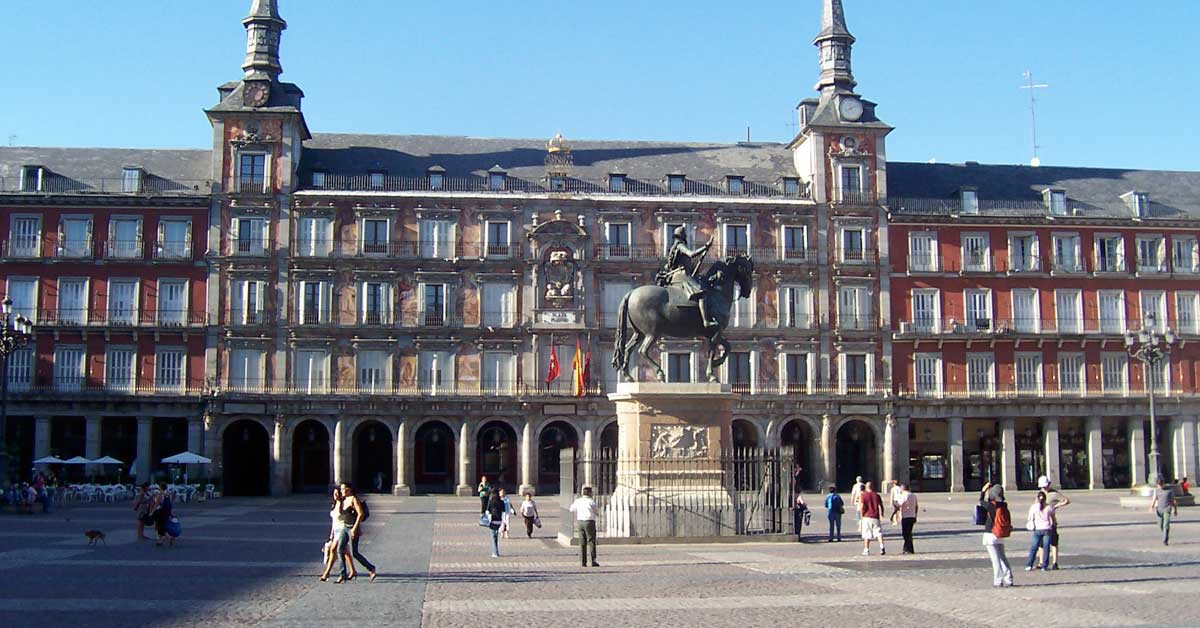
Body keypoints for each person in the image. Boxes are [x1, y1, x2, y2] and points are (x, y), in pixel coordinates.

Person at [656, 226, 718, 332]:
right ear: (682, 236)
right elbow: (691, 254)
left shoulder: (674, 247)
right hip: (682, 275)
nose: (685, 236)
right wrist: (706, 246)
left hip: (677, 274)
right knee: (701, 292)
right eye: (684, 234)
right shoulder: (680, 246)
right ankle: (705, 321)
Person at [341, 482, 377, 581]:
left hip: (352, 528)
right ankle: (343, 574)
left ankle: (371, 568)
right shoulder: (344, 499)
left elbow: (360, 514)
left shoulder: (354, 499)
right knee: (340, 549)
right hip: (344, 527)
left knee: (354, 553)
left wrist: (355, 528)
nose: (341, 491)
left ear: (349, 489)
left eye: (343, 489)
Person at [980, 482, 1014, 587]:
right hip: (1000, 534)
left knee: (995, 560)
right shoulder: (1003, 505)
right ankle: (1009, 579)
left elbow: (981, 501)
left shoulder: (990, 506)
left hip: (990, 534)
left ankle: (998, 581)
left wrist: (983, 490)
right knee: (1002, 557)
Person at [319, 487, 355, 583]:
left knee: (334, 549)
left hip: (343, 529)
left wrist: (339, 501)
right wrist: (331, 534)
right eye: (334, 494)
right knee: (345, 552)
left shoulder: (344, 504)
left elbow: (340, 514)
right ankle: (353, 571)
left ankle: (326, 573)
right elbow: (334, 520)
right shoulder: (334, 504)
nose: (336, 495)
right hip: (336, 530)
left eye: (338, 493)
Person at [1037, 475, 1071, 569]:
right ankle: (1041, 562)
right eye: (1043, 486)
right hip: (1041, 521)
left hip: (1051, 521)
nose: (1044, 488)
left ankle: (1055, 563)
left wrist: (1057, 505)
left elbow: (1067, 500)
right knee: (1041, 543)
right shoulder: (1040, 494)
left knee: (1054, 542)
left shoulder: (1055, 494)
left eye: (1046, 486)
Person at [569, 486, 599, 567]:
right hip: (589, 521)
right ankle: (593, 560)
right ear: (589, 493)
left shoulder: (578, 501)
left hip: (580, 522)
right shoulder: (591, 501)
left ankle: (583, 561)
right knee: (591, 541)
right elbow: (596, 512)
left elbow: (571, 509)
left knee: (582, 542)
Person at [1025, 491, 1055, 571]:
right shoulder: (1049, 507)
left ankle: (1029, 564)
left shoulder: (1034, 507)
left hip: (1037, 529)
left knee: (1034, 547)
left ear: (1037, 498)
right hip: (1047, 529)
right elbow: (1053, 518)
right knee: (1046, 548)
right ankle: (1044, 566)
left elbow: (1030, 518)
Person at [858, 481, 885, 556]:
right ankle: (882, 546)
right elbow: (881, 505)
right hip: (875, 516)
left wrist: (862, 515)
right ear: (872, 487)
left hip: (867, 516)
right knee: (878, 533)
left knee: (867, 534)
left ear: (866, 487)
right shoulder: (877, 495)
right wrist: (882, 513)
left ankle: (866, 549)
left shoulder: (864, 495)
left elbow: (862, 506)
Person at [1150, 478, 1177, 546]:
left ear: (1163, 483)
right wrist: (1151, 507)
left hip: (1167, 509)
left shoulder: (1169, 491)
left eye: (1161, 484)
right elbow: (1154, 499)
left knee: (1166, 525)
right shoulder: (1156, 490)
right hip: (1159, 509)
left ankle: (1165, 540)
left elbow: (1173, 501)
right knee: (1160, 524)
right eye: (1159, 484)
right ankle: (1165, 533)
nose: (1160, 486)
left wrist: (1175, 509)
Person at [895, 483, 918, 554]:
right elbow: (916, 506)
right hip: (912, 516)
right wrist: (915, 515)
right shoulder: (913, 495)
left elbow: (899, 504)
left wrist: (895, 503)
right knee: (909, 533)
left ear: (903, 488)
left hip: (906, 516)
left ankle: (908, 549)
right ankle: (907, 548)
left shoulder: (904, 495)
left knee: (906, 534)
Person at [151, 482, 174, 547]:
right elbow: (169, 504)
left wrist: (152, 512)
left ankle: (168, 537)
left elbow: (156, 504)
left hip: (160, 512)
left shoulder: (160, 494)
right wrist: (171, 513)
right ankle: (160, 540)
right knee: (163, 525)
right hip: (166, 512)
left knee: (159, 526)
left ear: (160, 487)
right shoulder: (168, 494)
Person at [485, 488, 505, 558]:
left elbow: (487, 511)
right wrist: (503, 522)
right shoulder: (501, 501)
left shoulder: (491, 501)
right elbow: (503, 512)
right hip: (499, 520)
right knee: (495, 536)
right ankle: (496, 551)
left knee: (493, 537)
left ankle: (495, 552)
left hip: (493, 520)